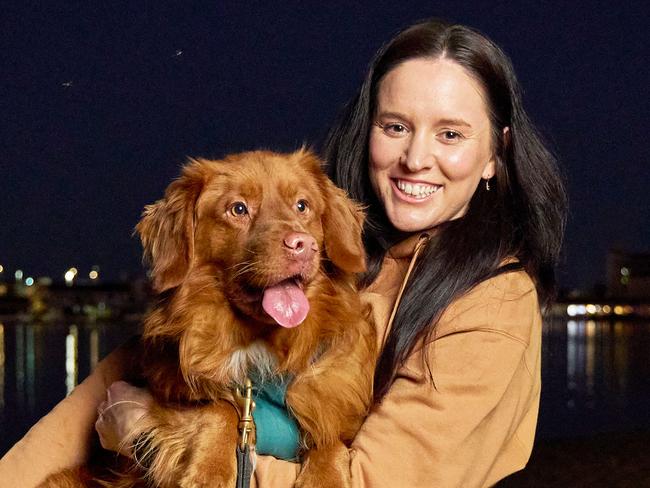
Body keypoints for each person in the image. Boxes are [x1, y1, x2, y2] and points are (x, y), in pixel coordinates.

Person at [0, 18, 567, 487]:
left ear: (496, 153)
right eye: (395, 126)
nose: (415, 158)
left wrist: (148, 438)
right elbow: (97, 396)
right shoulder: (351, 250)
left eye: (451, 134)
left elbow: (374, 480)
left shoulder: (495, 304)